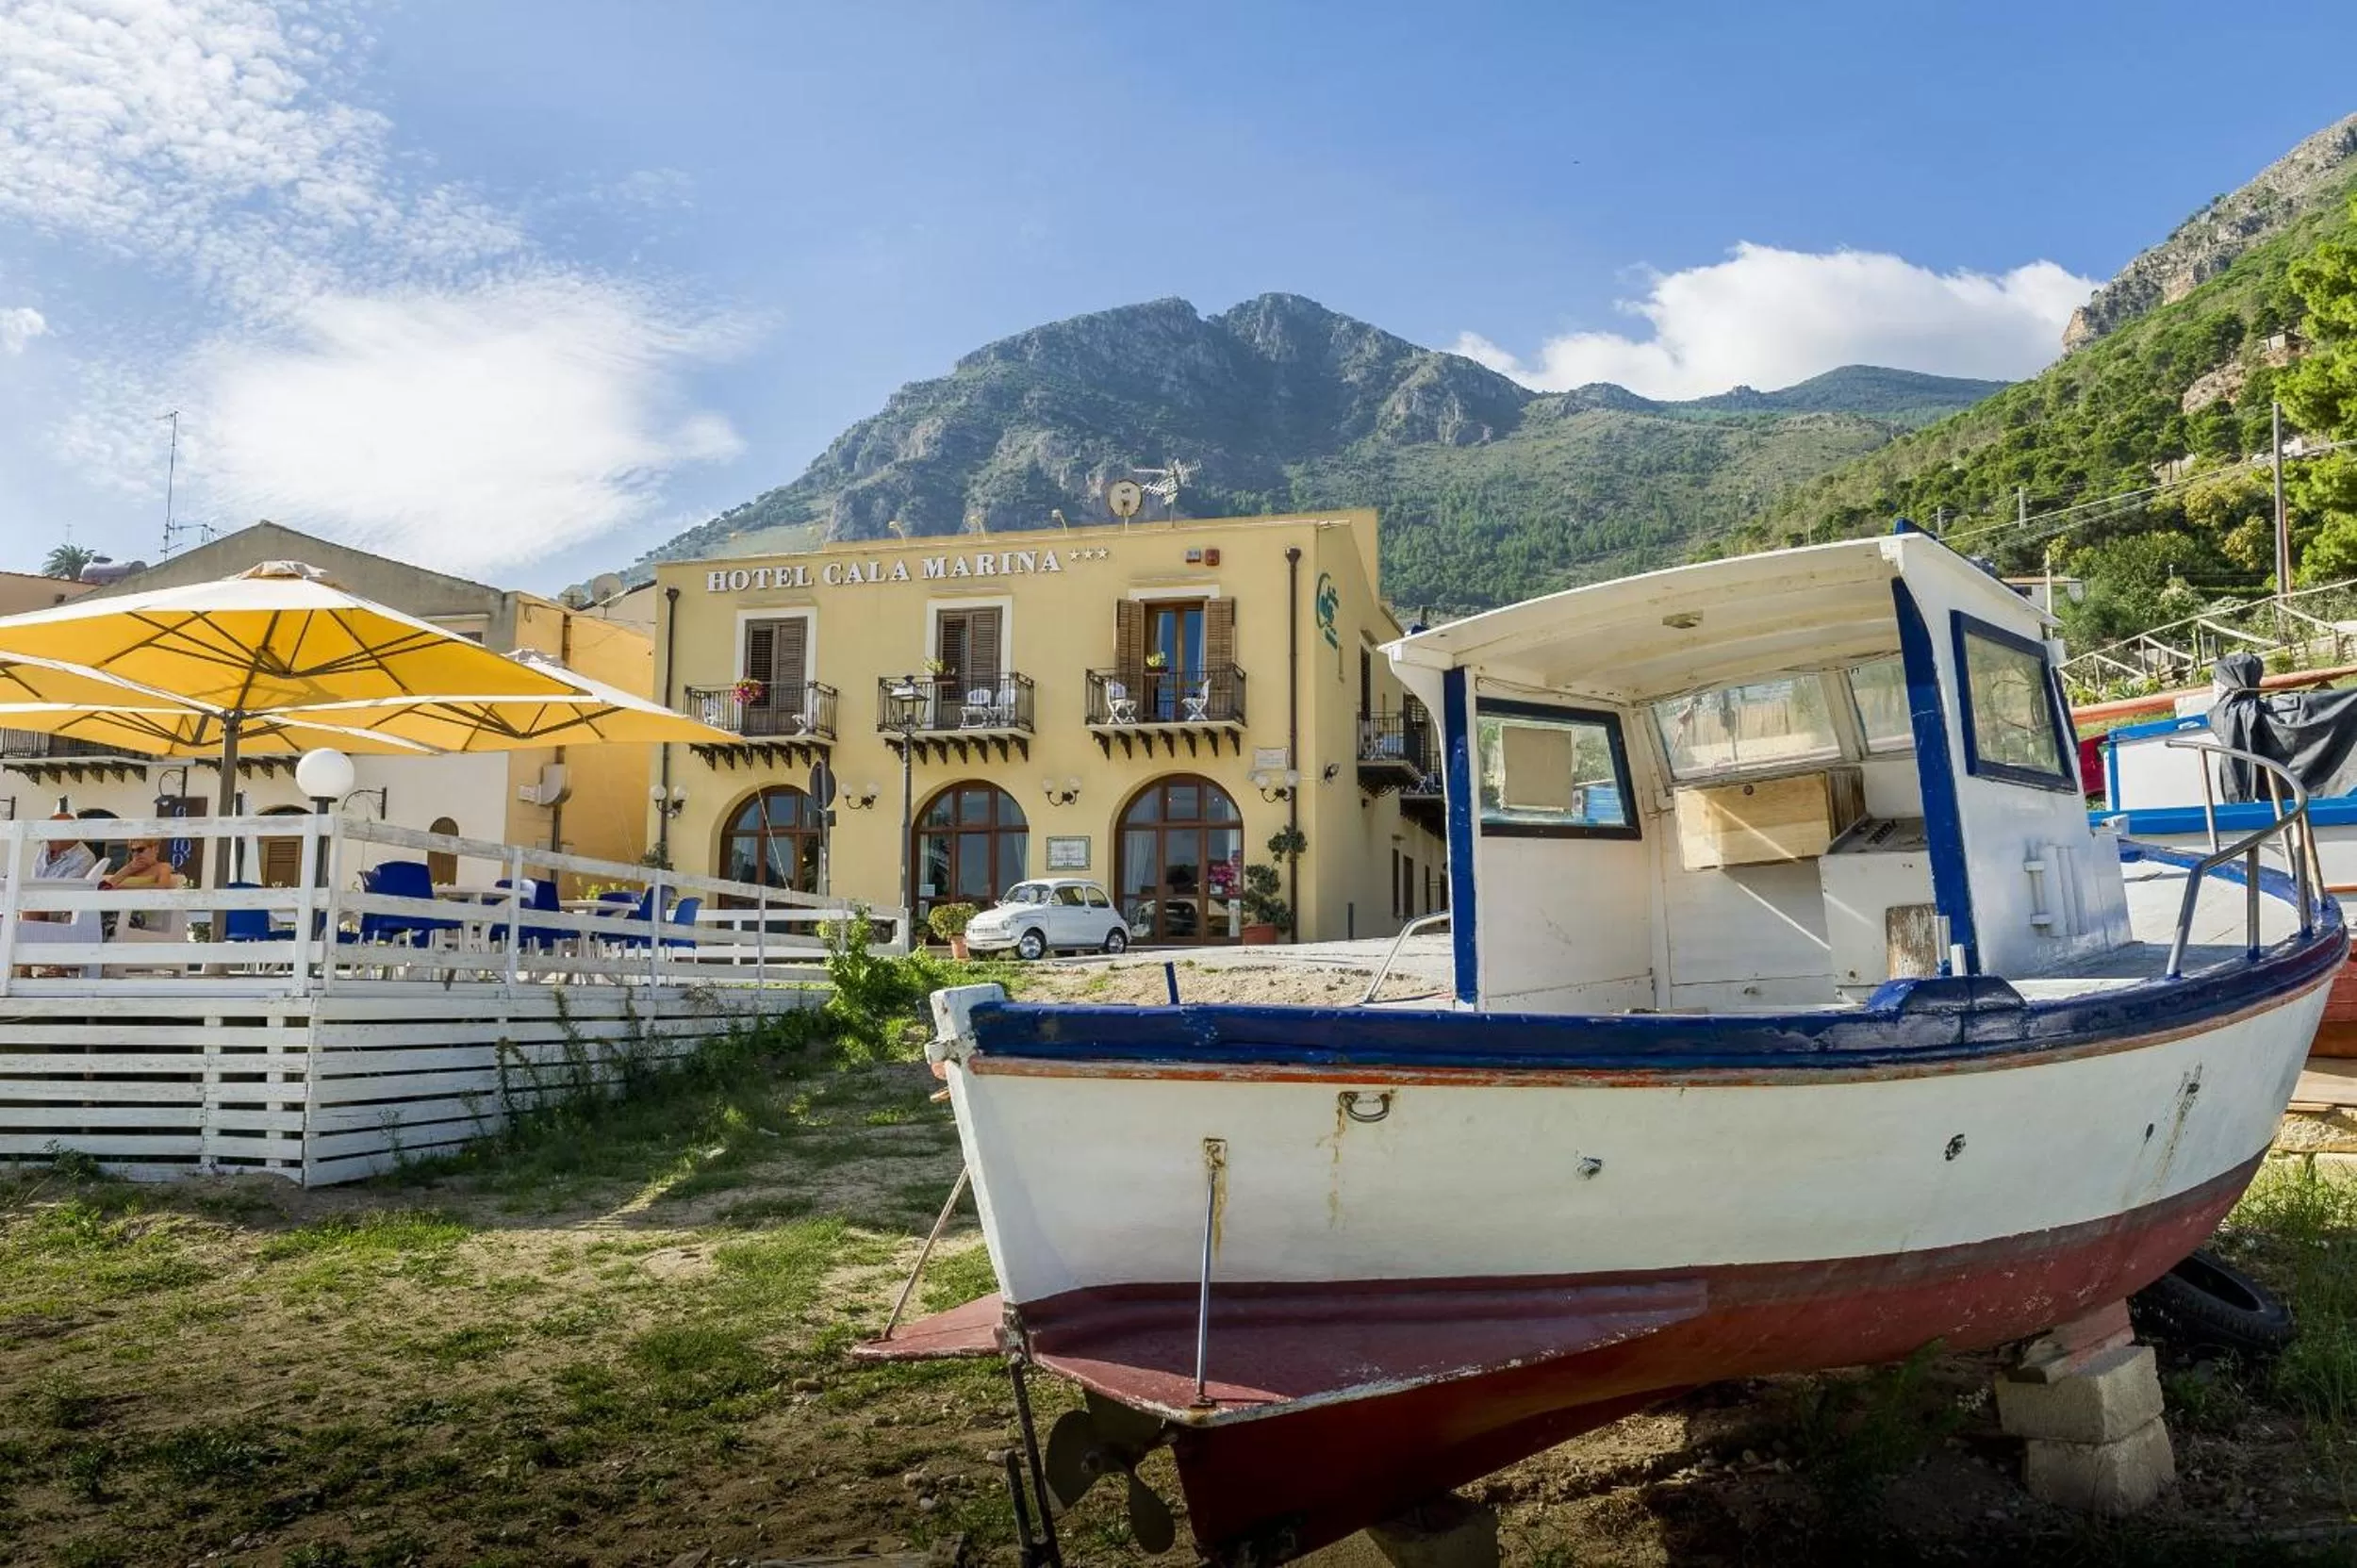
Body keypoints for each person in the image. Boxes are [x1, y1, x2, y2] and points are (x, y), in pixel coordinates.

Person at [26, 812, 98, 923]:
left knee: (29, 912)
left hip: (63, 909)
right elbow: (35, 878)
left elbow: (64, 891)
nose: (48, 837)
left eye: (52, 831)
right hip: (37, 901)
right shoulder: (45, 846)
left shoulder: (85, 857)